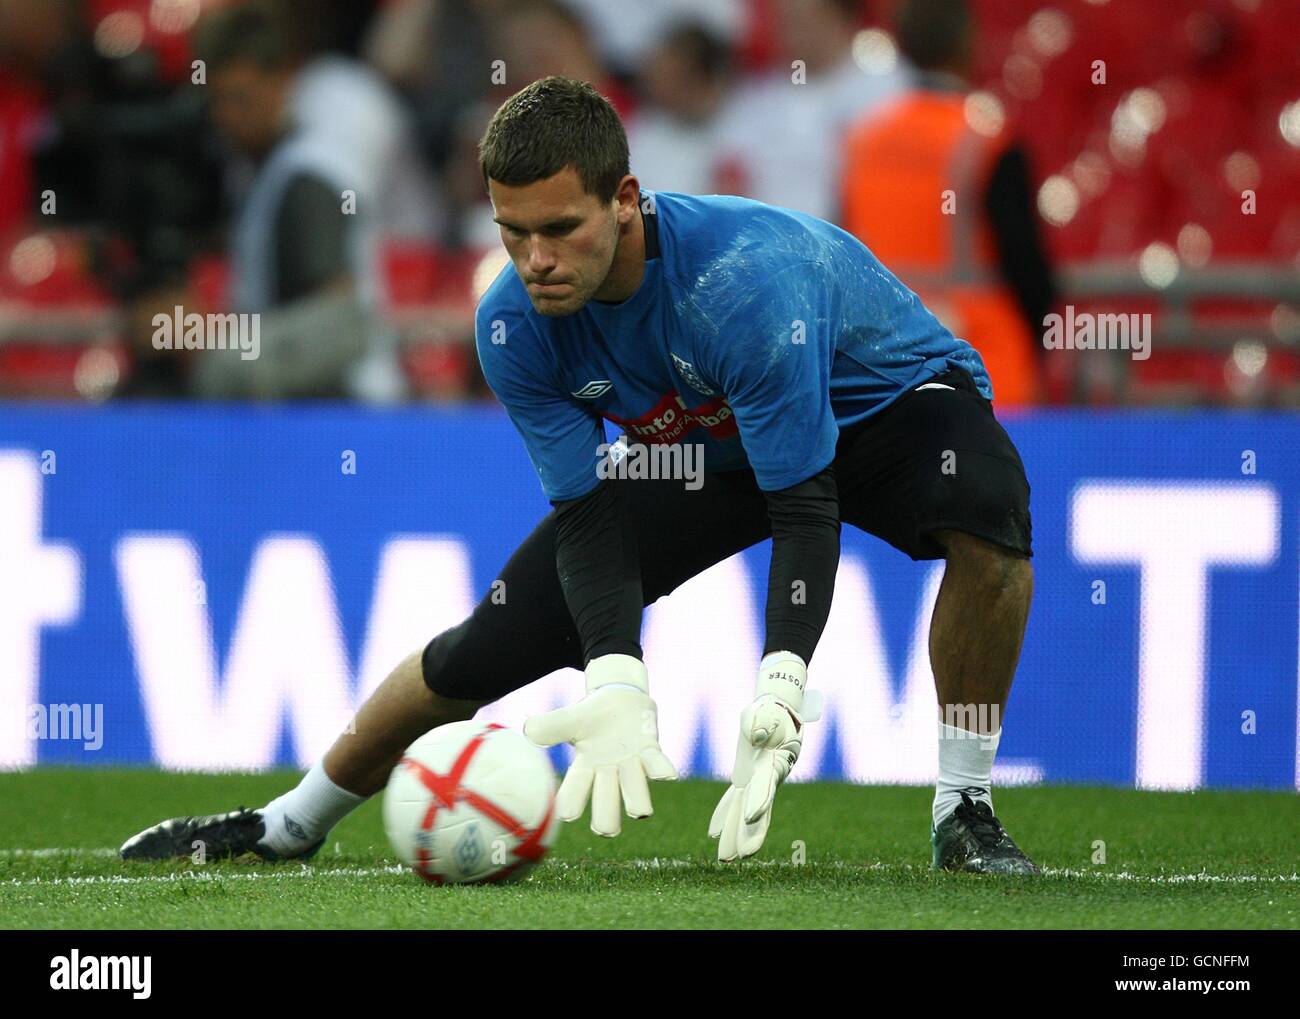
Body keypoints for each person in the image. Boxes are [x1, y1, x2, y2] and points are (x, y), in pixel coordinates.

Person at [121, 76, 1039, 874]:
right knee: (481, 646)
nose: (537, 262)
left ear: (627, 200)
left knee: (989, 512)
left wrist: (782, 684)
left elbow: (806, 503)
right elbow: (588, 512)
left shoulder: (745, 285)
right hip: (707, 443)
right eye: (512, 233)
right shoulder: (511, 324)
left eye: (560, 229)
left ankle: (963, 807)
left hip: (878, 409)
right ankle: (289, 822)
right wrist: (613, 676)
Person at [840, 0, 1057, 408]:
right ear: (966, 43)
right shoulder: (987, 138)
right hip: (984, 366)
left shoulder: (861, 140)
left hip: (884, 372)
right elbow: (1029, 271)